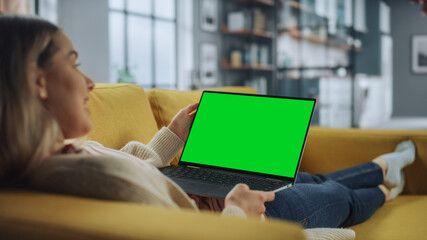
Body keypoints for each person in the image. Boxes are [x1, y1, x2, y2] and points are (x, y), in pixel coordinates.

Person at [0, 16, 416, 230]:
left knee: (308, 178)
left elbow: (137, 170)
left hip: (208, 198)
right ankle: (385, 185)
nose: (89, 82)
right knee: (338, 198)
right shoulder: (84, 177)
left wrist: (171, 138)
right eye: (74, 64)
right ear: (38, 82)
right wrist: (236, 212)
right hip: (232, 218)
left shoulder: (66, 155)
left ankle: (382, 165)